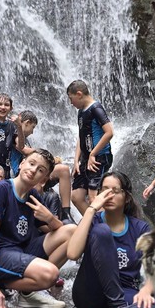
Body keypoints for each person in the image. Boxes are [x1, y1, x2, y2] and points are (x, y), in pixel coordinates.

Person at [67, 169, 155, 308]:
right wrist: (91, 209)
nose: (108, 195)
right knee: (102, 232)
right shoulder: (93, 220)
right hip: (90, 293)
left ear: (126, 198)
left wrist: (147, 289)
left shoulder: (139, 228)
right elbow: (72, 254)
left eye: (115, 191)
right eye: (104, 190)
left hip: (126, 293)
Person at [0, 148, 75, 308]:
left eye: (40, 170)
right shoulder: (0, 189)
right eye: (31, 163)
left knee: (72, 231)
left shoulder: (32, 195)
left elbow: (58, 230)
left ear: (44, 178)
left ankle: (27, 292)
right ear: (22, 163)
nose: (33, 170)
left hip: (19, 251)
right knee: (51, 274)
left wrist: (49, 217)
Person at [10, 111, 73, 220]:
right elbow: (23, 149)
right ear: (27, 123)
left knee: (64, 170)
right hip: (20, 173)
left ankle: (66, 213)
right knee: (62, 170)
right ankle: (65, 214)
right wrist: (49, 157)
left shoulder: (25, 138)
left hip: (32, 172)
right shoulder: (16, 133)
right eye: (33, 127)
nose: (32, 132)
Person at [67, 79, 114, 214]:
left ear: (79, 94)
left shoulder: (96, 109)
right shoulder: (81, 112)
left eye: (71, 98)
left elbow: (109, 132)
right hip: (86, 159)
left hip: (99, 157)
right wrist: (76, 160)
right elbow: (81, 136)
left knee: (94, 198)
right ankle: (92, 224)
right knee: (76, 196)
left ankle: (105, 226)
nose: (71, 103)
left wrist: (93, 153)